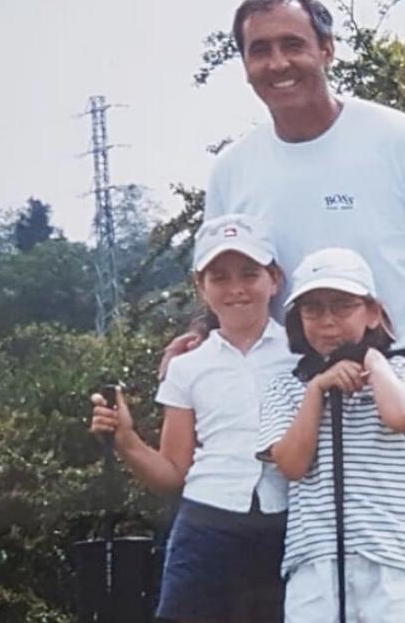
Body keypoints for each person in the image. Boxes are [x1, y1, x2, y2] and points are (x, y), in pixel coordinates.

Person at [167, 0, 405, 575]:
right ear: (244, 65)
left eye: (293, 44)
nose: (277, 64)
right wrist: (203, 333)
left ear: (327, 49)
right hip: (291, 401)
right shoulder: (233, 169)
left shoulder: (402, 141)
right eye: (259, 50)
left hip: (399, 391)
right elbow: (235, 276)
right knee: (303, 586)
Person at [91, 213, 298, 623]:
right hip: (206, 527)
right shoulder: (187, 368)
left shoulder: (304, 354)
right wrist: (127, 440)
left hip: (293, 526)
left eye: (249, 273)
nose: (236, 288)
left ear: (274, 279)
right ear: (200, 288)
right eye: (219, 277)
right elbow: (172, 473)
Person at [258, 247, 405, 622]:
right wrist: (316, 391)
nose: (328, 321)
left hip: (395, 557)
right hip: (316, 558)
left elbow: (403, 416)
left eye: (343, 306)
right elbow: (291, 465)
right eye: (313, 309)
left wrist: (374, 362)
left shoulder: (402, 371)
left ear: (372, 312)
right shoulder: (286, 387)